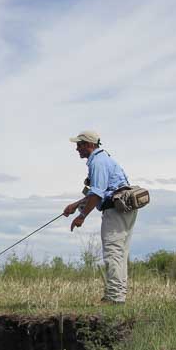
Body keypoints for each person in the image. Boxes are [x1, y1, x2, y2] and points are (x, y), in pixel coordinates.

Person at [63, 130, 137, 304]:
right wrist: (76, 205)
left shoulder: (98, 162)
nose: (77, 149)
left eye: (79, 145)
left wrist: (81, 216)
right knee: (120, 253)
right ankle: (117, 295)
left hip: (115, 211)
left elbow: (96, 194)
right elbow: (100, 191)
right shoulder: (103, 159)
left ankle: (115, 298)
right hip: (125, 209)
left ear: (89, 145)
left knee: (113, 252)